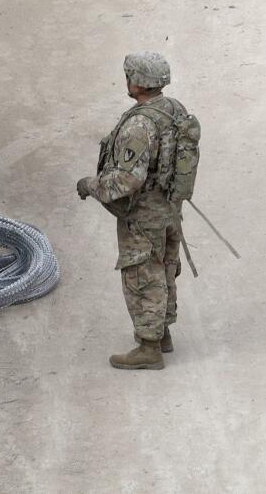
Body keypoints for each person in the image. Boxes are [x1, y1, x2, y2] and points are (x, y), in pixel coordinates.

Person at [76, 52, 192, 371]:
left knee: (143, 274)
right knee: (165, 268)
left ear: (139, 83)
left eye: (129, 75)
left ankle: (149, 346)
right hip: (170, 207)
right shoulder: (172, 109)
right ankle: (162, 332)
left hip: (143, 213)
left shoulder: (140, 124)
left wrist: (91, 185)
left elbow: (129, 178)